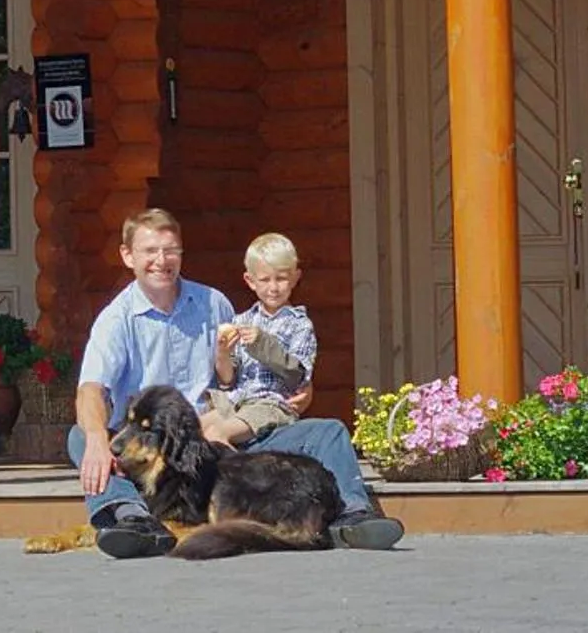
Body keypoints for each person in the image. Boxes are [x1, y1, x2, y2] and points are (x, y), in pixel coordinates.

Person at [70, 209, 404, 556]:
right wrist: (97, 438)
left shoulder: (213, 304)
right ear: (128, 256)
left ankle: (352, 516)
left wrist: (300, 392)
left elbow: (246, 373)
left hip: (223, 439)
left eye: (171, 251)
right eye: (150, 251)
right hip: (159, 448)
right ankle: (134, 521)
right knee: (81, 436)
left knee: (329, 431)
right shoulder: (116, 318)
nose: (162, 261)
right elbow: (90, 389)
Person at [202, 230, 316, 448]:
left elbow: (298, 376)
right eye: (265, 280)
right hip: (236, 402)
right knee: (191, 432)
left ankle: (234, 479)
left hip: (272, 405)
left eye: (281, 278)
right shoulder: (242, 319)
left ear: (295, 278)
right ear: (250, 281)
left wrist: (262, 343)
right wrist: (223, 353)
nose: (273, 288)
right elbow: (228, 380)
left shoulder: (300, 324)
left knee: (216, 435)